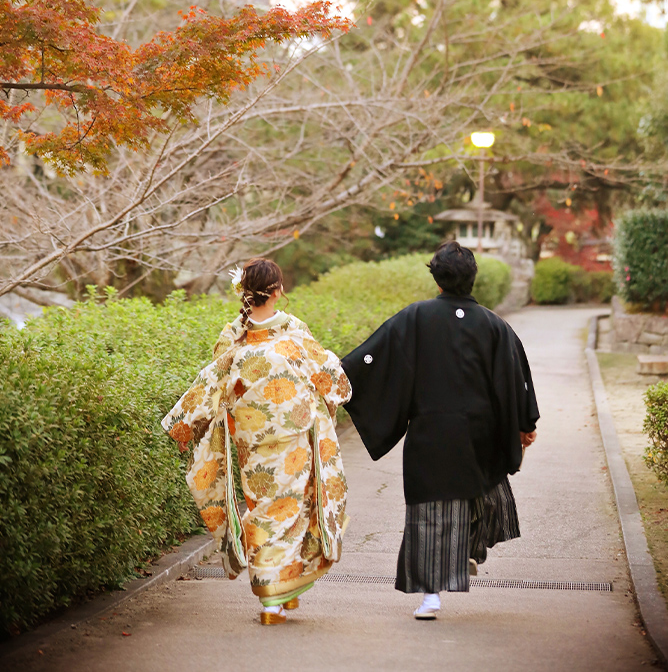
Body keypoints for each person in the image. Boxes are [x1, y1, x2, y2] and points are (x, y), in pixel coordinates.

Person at [341, 240, 539, 620]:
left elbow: (370, 359)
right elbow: (516, 379)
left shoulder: (415, 318)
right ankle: (466, 550)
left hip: (431, 433)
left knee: (430, 513)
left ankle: (430, 596)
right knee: (479, 492)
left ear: (437, 279)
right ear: (473, 278)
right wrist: (524, 423)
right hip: (481, 434)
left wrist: (334, 377)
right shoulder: (495, 325)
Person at [162, 257, 352, 625]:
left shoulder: (233, 337)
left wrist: (184, 425)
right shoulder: (293, 332)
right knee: (293, 511)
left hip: (250, 443)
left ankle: (279, 591)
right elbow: (328, 375)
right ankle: (272, 598)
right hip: (293, 439)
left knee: (266, 511)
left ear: (245, 291)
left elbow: (212, 383)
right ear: (278, 290)